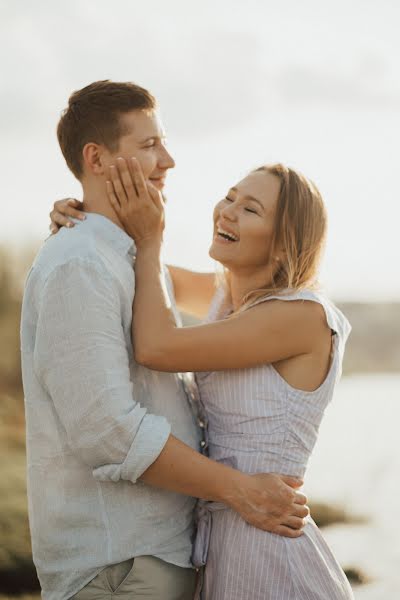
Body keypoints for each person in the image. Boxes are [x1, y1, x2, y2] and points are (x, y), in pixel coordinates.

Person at [21, 80, 308, 600]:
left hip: (164, 553)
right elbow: (107, 430)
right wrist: (238, 490)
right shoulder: (81, 263)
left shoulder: (124, 260)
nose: (168, 160)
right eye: (149, 145)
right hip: (119, 563)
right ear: (97, 158)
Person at [52, 156, 353, 599]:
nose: (227, 211)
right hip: (223, 542)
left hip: (272, 549)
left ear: (286, 244)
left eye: (250, 209)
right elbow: (128, 268)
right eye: (230, 197)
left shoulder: (301, 316)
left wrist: (152, 237)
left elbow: (156, 347)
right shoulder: (226, 297)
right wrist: (83, 223)